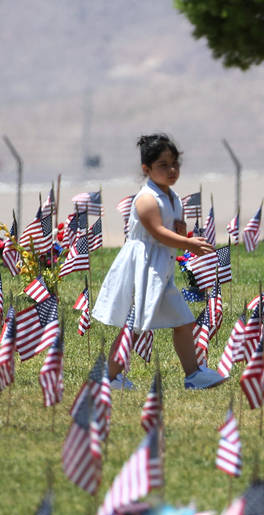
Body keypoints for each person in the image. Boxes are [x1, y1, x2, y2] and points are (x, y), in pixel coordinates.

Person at [92, 133, 226, 390]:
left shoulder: (173, 198)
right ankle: (108, 377)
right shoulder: (146, 198)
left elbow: (174, 231)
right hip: (144, 266)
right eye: (163, 165)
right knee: (134, 323)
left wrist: (182, 232)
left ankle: (194, 375)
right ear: (147, 168)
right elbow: (156, 231)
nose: (172, 170)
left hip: (161, 269)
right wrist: (187, 243)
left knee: (183, 322)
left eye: (175, 163)